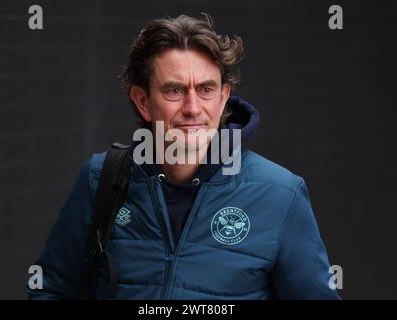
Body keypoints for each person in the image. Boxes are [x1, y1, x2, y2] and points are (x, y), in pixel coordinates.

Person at [27, 14, 340, 300]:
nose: (192, 108)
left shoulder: (281, 194)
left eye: (206, 89)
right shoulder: (101, 179)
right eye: (174, 91)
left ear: (223, 97)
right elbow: (50, 289)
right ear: (142, 101)